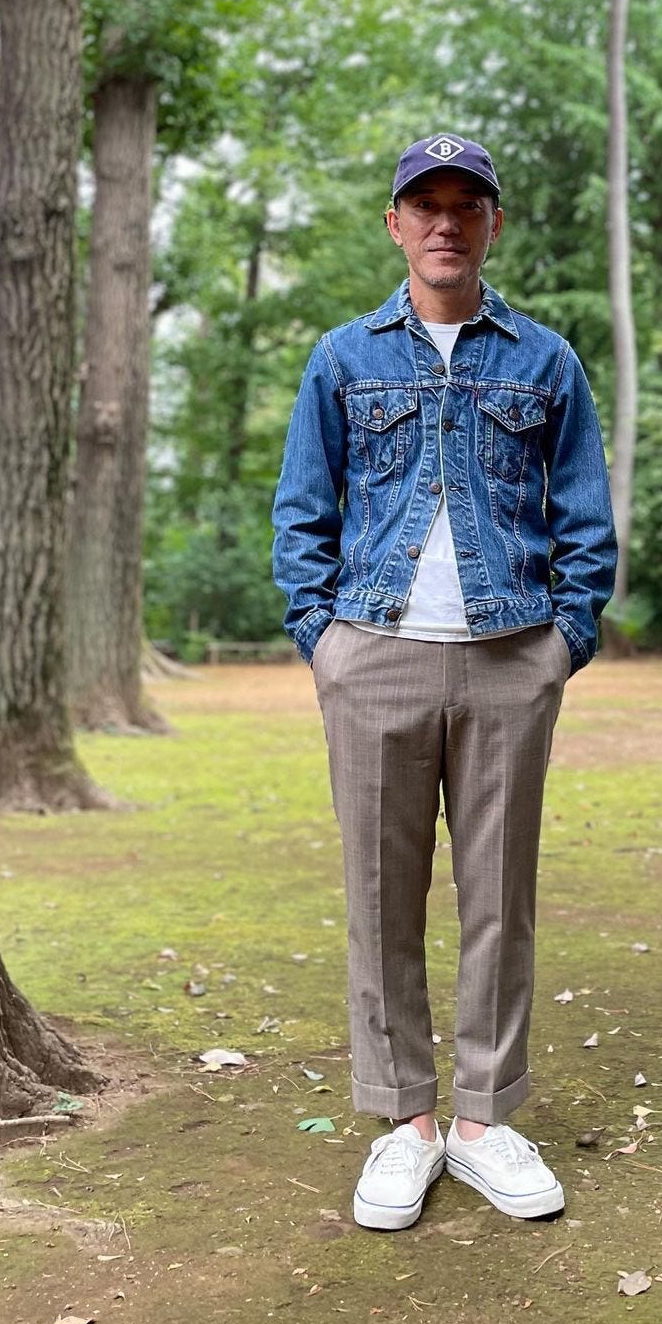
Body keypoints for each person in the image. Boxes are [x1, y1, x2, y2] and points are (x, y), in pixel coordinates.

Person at [272, 133, 616, 1231]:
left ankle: (483, 1118)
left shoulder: (546, 362)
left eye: (469, 205)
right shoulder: (341, 358)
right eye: (426, 204)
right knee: (381, 894)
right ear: (395, 224)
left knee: (498, 896)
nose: (446, 223)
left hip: (513, 656)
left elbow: (586, 522)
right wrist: (323, 641)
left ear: (493, 226)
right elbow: (300, 515)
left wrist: (564, 642)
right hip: (371, 652)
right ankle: (404, 1121)